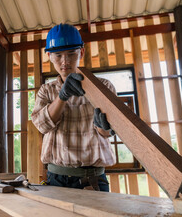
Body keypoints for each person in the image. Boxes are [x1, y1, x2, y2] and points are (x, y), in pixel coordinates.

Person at [31, 23, 117, 191]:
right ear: (49, 56)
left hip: (93, 180)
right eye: (58, 55)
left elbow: (107, 133)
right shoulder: (46, 91)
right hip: (57, 179)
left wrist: (104, 127)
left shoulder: (103, 87)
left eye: (71, 53)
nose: (65, 61)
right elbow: (41, 126)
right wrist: (62, 96)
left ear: (81, 52)